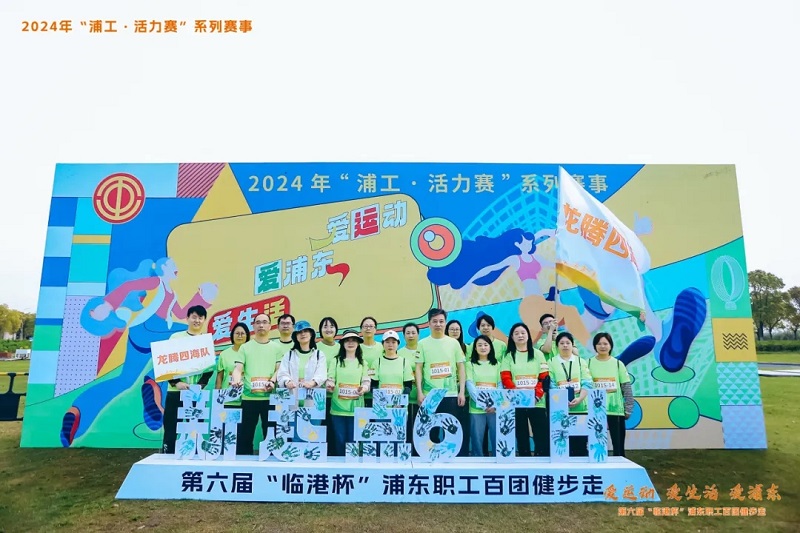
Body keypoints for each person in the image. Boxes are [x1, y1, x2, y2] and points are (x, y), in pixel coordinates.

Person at [62, 257, 217, 447]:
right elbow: (128, 287)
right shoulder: (156, 283)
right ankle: (154, 384)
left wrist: (201, 297)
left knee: (125, 380)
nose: (176, 267)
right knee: (190, 338)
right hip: (151, 329)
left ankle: (78, 412)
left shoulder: (172, 293)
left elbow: (181, 313)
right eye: (172, 264)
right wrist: (108, 305)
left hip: (140, 338)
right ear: (163, 267)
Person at [163, 305, 215, 454]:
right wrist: (176, 383)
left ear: (204, 320)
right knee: (171, 426)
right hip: (175, 391)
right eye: (194, 317)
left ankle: (196, 454)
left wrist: (199, 386)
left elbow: (209, 370)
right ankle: (169, 454)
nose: (197, 320)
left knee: (196, 426)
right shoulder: (176, 338)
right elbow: (165, 364)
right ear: (187, 318)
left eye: (200, 317)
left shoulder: (206, 341)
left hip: (196, 393)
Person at [415, 308, 468, 456]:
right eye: (434, 321)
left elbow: (461, 368)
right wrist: (420, 392)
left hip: (450, 394)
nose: (438, 324)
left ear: (445, 323)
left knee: (450, 429)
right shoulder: (422, 344)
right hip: (430, 395)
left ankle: (449, 458)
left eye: (441, 321)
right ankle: (430, 457)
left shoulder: (454, 343)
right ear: (429, 323)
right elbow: (418, 369)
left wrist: (461, 392)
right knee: (429, 429)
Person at [229, 313, 284, 455]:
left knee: (271, 434)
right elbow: (238, 369)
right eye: (258, 322)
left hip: (270, 398)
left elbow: (279, 369)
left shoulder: (277, 348)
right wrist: (236, 380)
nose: (261, 325)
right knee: (245, 435)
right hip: (248, 398)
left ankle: (271, 461)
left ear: (270, 326)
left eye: (264, 322)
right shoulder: (245, 347)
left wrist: (272, 381)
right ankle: (243, 463)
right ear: (253, 326)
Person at [500, 323, 550, 457]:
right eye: (516, 333)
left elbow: (544, 378)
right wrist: (518, 395)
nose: (520, 335)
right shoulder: (508, 356)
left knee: (541, 433)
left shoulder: (538, 354)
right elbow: (506, 378)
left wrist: (536, 396)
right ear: (512, 337)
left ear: (528, 335)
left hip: (537, 401)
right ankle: (524, 457)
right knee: (521, 434)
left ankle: (541, 458)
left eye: (523, 332)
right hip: (517, 402)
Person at [588, 333, 634, 456]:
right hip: (595, 411)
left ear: (611, 346)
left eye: (605, 343)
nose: (602, 346)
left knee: (618, 446)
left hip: (615, 410)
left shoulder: (618, 364)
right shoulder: (588, 363)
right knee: (596, 445)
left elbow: (626, 387)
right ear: (595, 346)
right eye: (599, 343)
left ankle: (620, 465)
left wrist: (628, 408)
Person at [326, 330, 371, 455]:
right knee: (340, 440)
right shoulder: (335, 361)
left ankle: (354, 466)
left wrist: (364, 388)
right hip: (338, 408)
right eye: (347, 341)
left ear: (358, 344)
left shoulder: (363, 363)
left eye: (354, 340)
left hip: (356, 409)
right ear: (343, 344)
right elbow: (330, 378)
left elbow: (366, 381)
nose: (350, 343)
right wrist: (330, 385)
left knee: (354, 440)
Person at [550, 332, 593, 457]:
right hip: (560, 410)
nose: (565, 345)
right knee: (563, 443)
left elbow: (587, 383)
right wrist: (562, 400)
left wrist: (580, 399)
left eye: (568, 343)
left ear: (572, 345)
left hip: (580, 408)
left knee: (581, 443)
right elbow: (552, 384)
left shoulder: (580, 362)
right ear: (557, 346)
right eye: (562, 343)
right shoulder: (551, 362)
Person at [465, 335, 501, 456]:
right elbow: (470, 385)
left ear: (490, 347)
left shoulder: (498, 364)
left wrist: (494, 404)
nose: (483, 347)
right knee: (477, 439)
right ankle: (477, 460)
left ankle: (497, 460)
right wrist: (483, 404)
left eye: (486, 345)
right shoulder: (470, 364)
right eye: (479, 345)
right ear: (475, 348)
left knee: (497, 437)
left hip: (495, 409)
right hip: (476, 408)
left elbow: (500, 385)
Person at [276, 320, 328, 392]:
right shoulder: (289, 355)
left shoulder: (319, 355)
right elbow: (282, 373)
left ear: (311, 334)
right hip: (292, 394)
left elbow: (321, 374)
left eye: (305, 331)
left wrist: (312, 383)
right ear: (296, 337)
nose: (303, 334)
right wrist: (287, 382)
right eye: (299, 332)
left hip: (312, 395)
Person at [445, 319, 471, 455]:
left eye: (457, 329)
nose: (455, 332)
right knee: (448, 425)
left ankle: (463, 453)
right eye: (452, 329)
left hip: (464, 393)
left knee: (463, 425)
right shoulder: (443, 347)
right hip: (449, 393)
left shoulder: (468, 348)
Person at [317, 317, 340, 455]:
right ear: (320, 330)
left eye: (331, 326)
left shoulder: (341, 348)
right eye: (325, 326)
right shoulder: (315, 347)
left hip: (338, 396)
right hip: (319, 396)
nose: (328, 329)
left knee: (335, 429)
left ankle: (334, 456)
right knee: (321, 427)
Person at [214, 322, 250, 409]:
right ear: (232, 335)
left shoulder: (251, 354)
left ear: (247, 336)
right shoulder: (224, 354)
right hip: (227, 399)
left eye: (242, 333)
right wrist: (217, 397)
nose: (240, 336)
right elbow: (219, 377)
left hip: (247, 398)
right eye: (237, 333)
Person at [398, 323, 422, 450]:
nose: (411, 335)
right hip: (405, 399)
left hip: (421, 397)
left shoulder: (423, 350)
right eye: (408, 333)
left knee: (420, 429)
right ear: (403, 335)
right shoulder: (399, 353)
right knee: (406, 430)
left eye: (413, 333)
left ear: (418, 334)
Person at [370, 330, 414, 395]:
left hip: (399, 401)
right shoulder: (376, 363)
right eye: (387, 342)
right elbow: (373, 385)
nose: (390, 345)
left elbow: (408, 386)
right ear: (383, 344)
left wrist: (400, 400)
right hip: (381, 400)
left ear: (398, 344)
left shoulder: (405, 362)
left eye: (393, 342)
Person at [359, 316, 383, 406]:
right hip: (359, 391)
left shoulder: (382, 347)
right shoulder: (356, 347)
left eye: (371, 326)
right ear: (361, 329)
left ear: (375, 330)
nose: (368, 329)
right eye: (365, 326)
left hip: (378, 391)